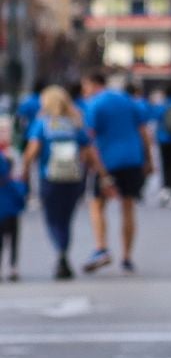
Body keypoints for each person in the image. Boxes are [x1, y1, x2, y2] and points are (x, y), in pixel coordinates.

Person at [16, 86, 106, 281]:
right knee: (66, 218)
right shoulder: (75, 123)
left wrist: (24, 172)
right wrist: (103, 174)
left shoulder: (43, 124)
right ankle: (63, 251)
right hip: (74, 178)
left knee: (52, 219)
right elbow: (90, 152)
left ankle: (61, 252)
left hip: (50, 177)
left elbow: (31, 152)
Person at [80, 70, 156, 273]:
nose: (84, 92)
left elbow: (89, 139)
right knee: (128, 206)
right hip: (132, 160)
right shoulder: (129, 101)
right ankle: (127, 257)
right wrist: (149, 160)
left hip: (107, 162)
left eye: (85, 87)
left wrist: (94, 167)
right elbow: (144, 133)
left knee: (96, 204)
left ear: (94, 84)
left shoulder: (94, 105)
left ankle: (101, 247)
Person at [0, 145, 24, 280]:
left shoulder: (10, 153)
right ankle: (12, 266)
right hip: (9, 205)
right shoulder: (7, 155)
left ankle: (11, 266)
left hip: (8, 204)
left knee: (7, 238)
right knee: (11, 238)